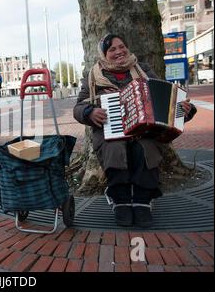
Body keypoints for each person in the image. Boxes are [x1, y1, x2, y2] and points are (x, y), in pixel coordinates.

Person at [73, 34, 197, 228]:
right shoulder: (93, 75)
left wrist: (183, 110)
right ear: (104, 54)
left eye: (122, 46)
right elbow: (79, 106)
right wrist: (89, 112)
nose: (119, 52)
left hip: (144, 129)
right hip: (110, 129)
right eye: (112, 49)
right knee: (114, 151)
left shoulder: (142, 69)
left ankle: (143, 200)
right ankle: (120, 199)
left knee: (145, 149)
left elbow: (165, 95)